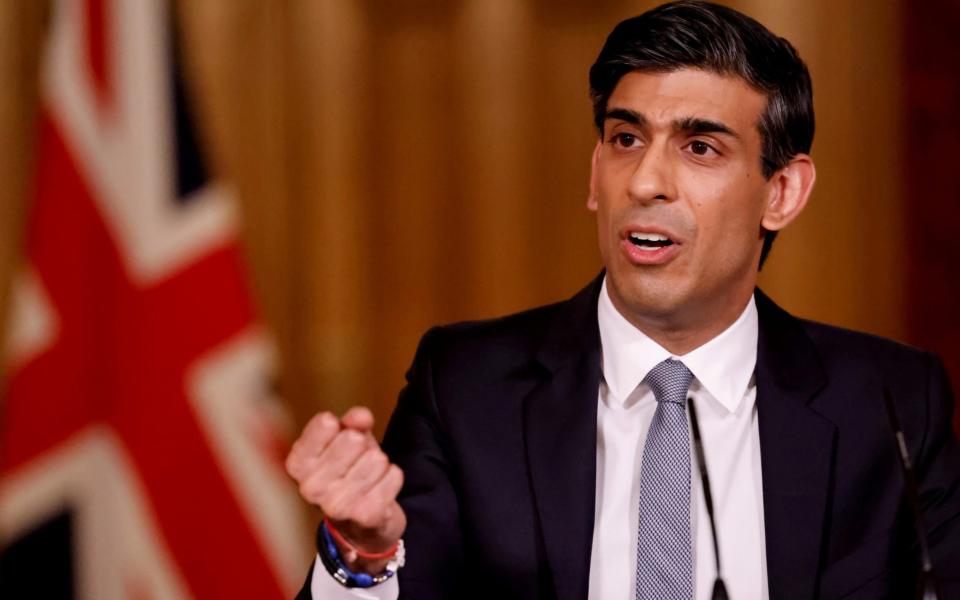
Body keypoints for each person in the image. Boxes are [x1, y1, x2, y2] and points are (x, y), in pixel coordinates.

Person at [286, 2, 960, 598]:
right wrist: (363, 557)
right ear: (594, 174)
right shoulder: (467, 388)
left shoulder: (892, 404)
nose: (645, 181)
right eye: (626, 139)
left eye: (699, 147)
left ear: (782, 193)